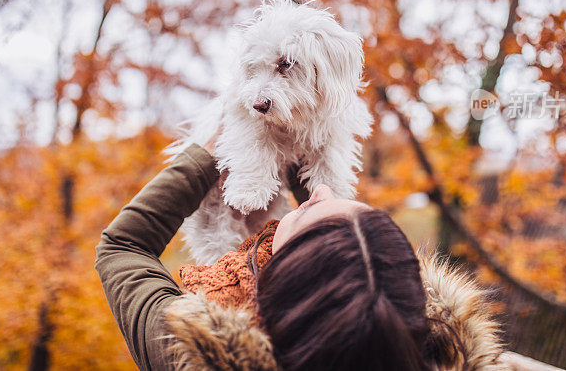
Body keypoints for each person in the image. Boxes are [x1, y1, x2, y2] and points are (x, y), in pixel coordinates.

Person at [95, 141, 504, 371]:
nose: (321, 191)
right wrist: (294, 143)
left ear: (277, 278)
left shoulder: (191, 357)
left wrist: (211, 149)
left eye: (307, 209)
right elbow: (342, 265)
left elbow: (122, 246)